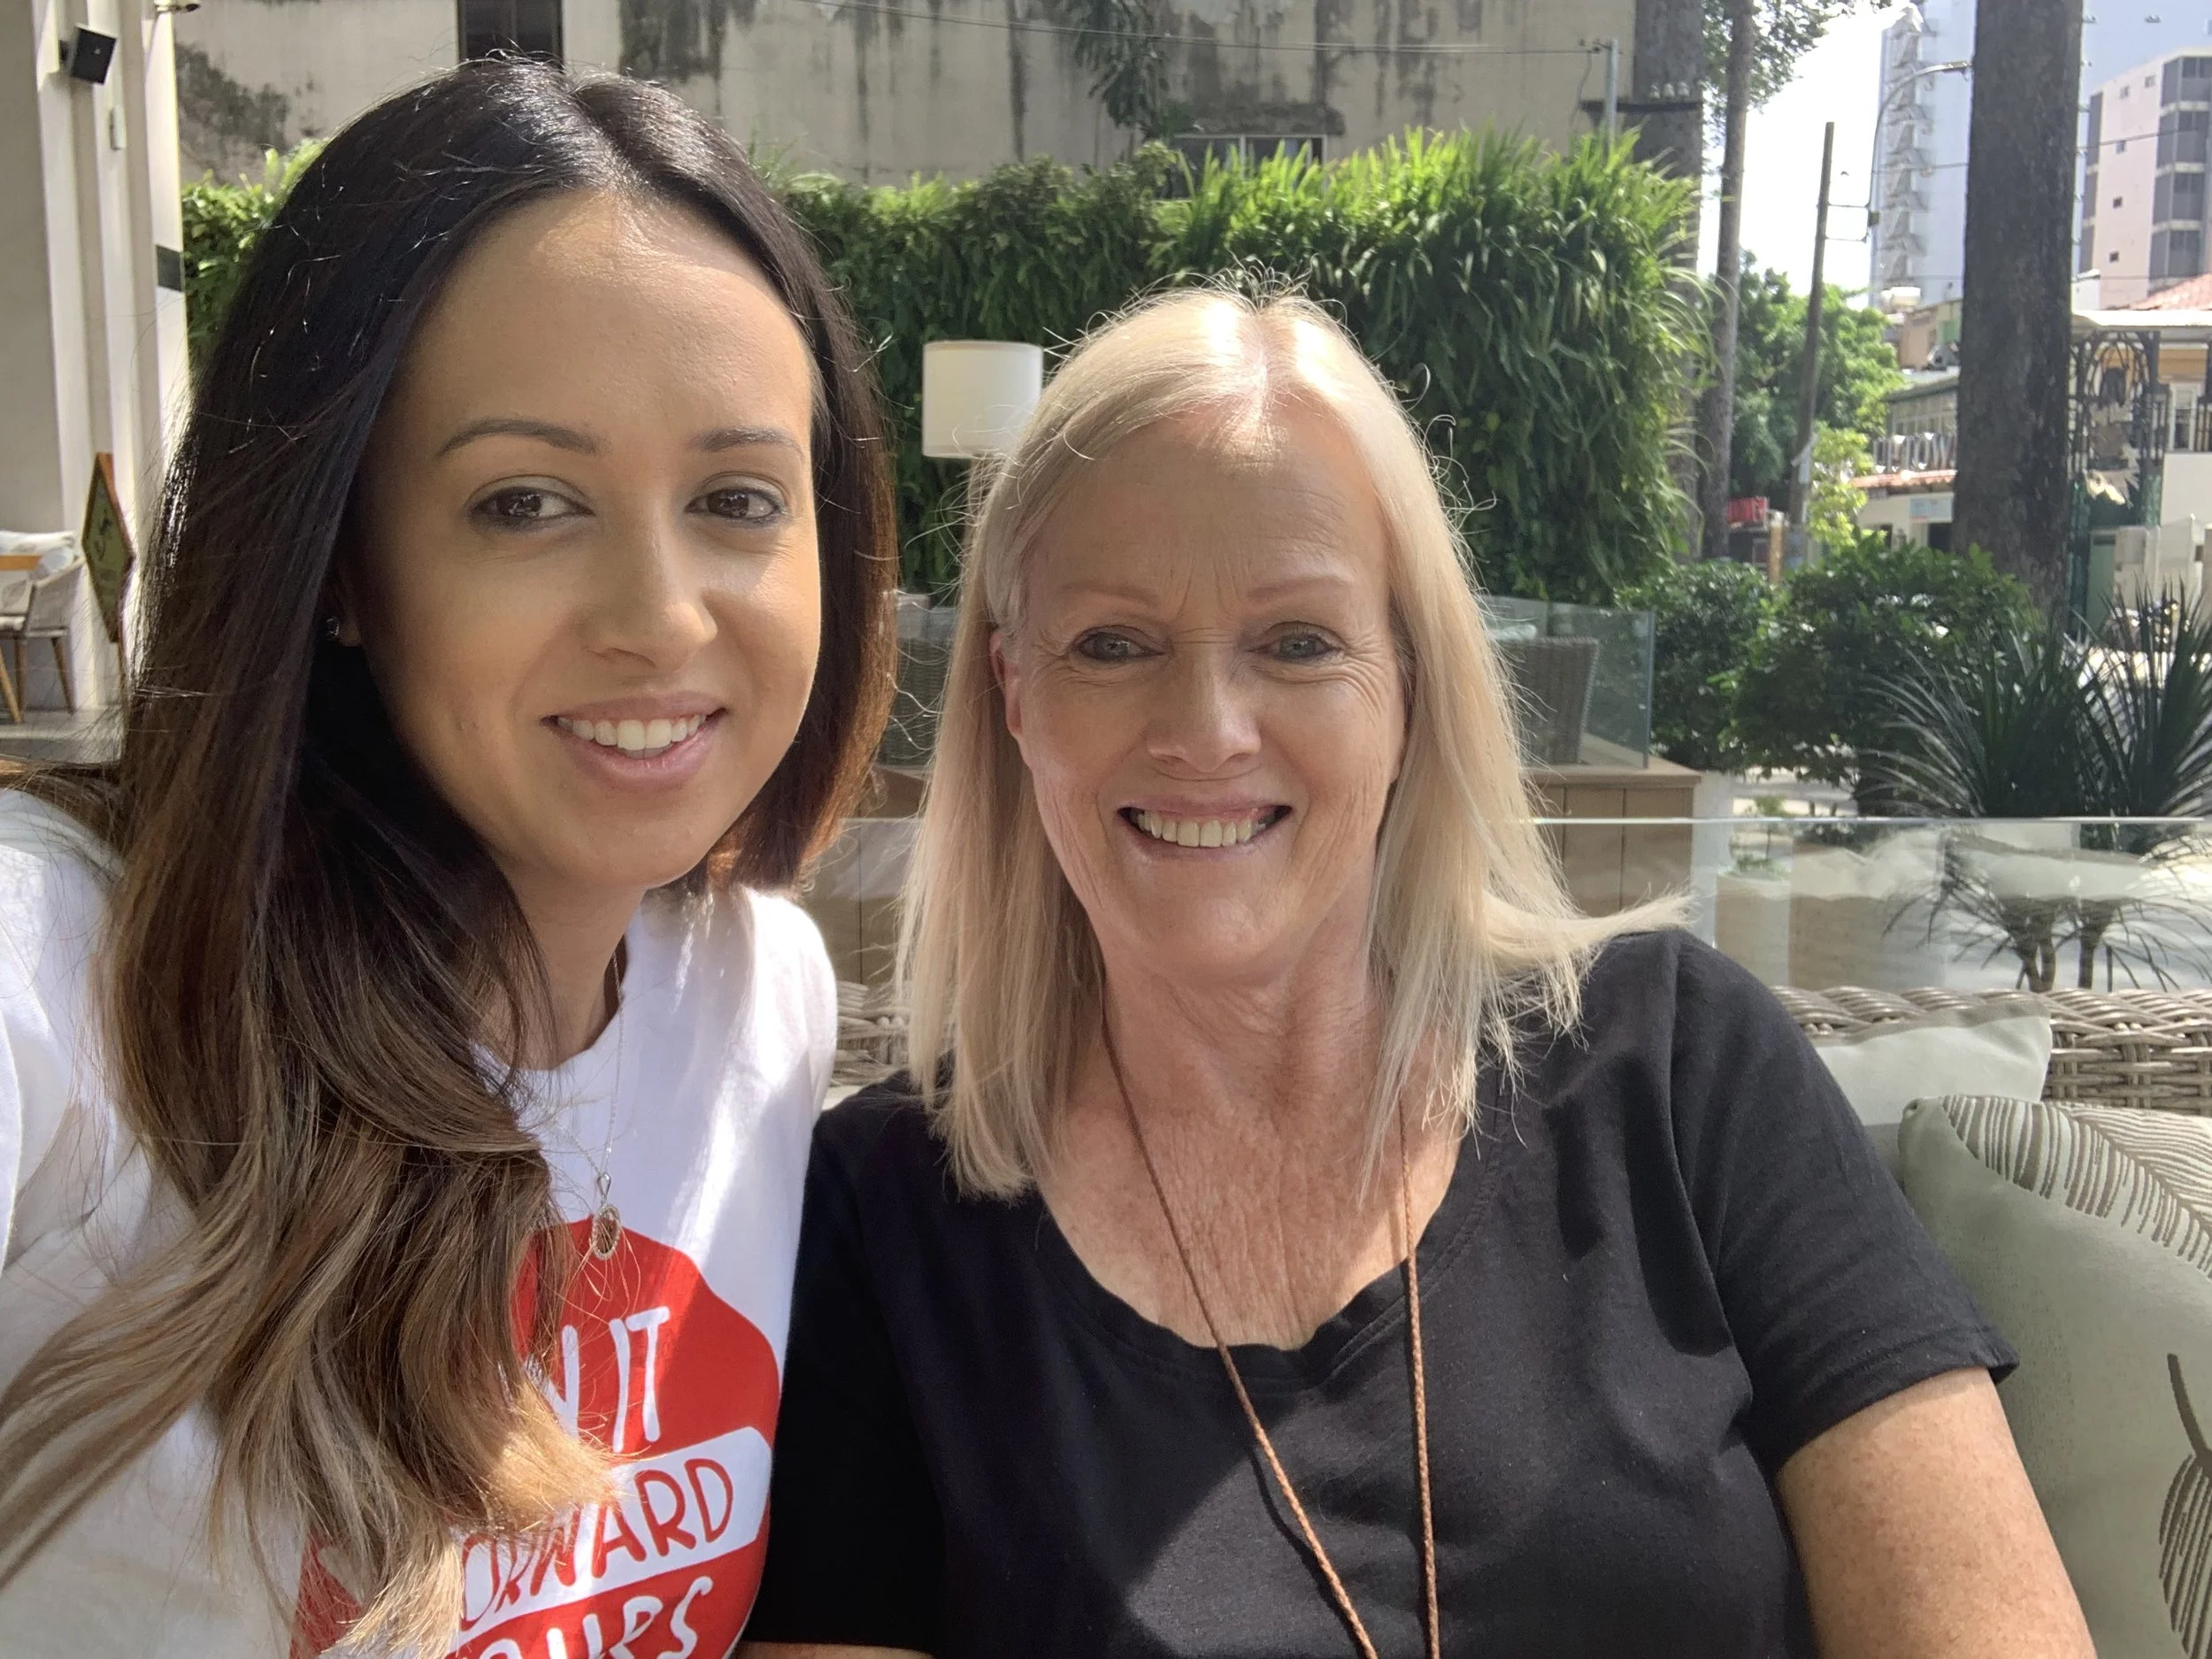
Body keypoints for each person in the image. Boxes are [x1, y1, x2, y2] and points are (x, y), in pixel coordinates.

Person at [741, 291, 2093, 1659]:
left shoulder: (1682, 1069)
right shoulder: (884, 1219)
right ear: (1013, 693)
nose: (1206, 729)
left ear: (1407, 691)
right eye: (1112, 643)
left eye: (1298, 641)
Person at [0, 61, 892, 1659]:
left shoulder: (762, 996)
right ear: (341, 560)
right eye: (525, 502)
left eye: (737, 498)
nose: (660, 615)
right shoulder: (69, 971)